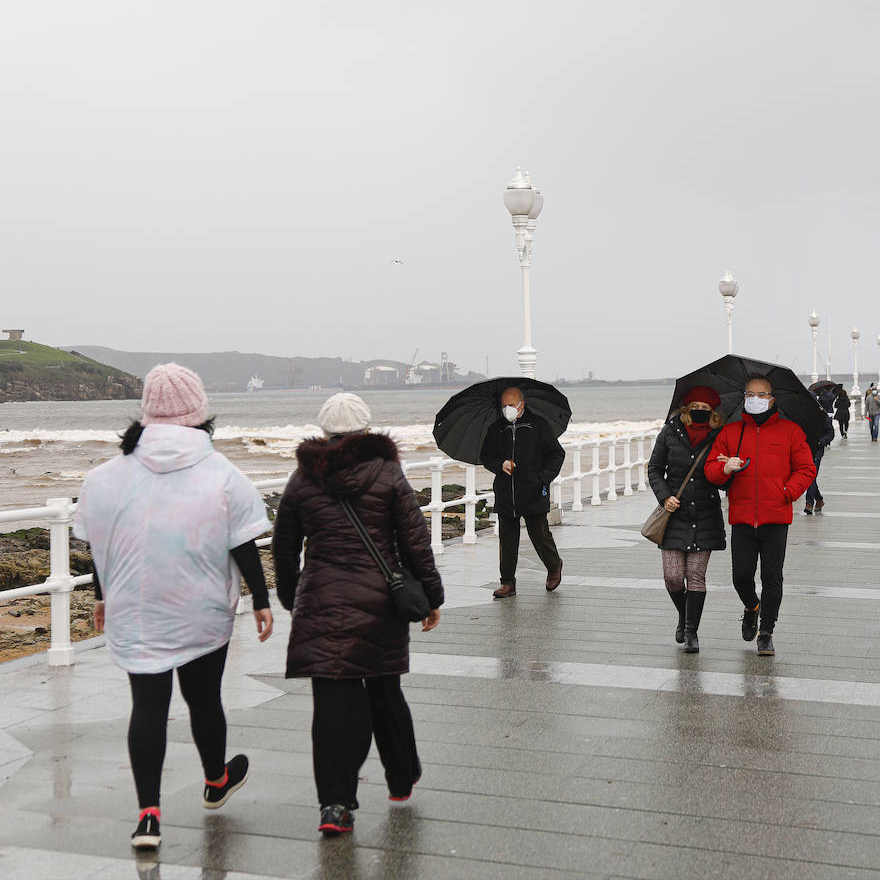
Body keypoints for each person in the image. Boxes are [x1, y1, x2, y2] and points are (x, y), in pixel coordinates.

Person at [73, 364, 273, 851]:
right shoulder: (223, 473)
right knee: (204, 699)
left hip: (136, 609)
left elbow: (101, 541)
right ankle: (214, 781)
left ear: (146, 413)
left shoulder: (107, 477)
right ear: (201, 415)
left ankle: (148, 818)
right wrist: (262, 599)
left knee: (148, 706)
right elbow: (244, 542)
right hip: (202, 608)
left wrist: (101, 596)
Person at [272, 393, 444, 837]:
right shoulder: (387, 473)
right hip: (379, 602)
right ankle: (401, 778)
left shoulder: (301, 479)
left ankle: (335, 806)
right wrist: (432, 596)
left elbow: (285, 547)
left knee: (331, 707)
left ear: (325, 433)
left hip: (322, 602)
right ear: (367, 431)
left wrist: (293, 598)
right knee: (385, 690)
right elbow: (414, 540)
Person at [705, 377, 816, 656]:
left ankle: (766, 631)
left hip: (776, 517)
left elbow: (806, 468)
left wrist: (788, 492)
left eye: (761, 394)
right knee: (741, 576)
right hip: (742, 517)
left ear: (772, 399)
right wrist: (726, 469)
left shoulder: (790, 431)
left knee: (772, 577)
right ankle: (752, 605)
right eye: (750, 394)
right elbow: (710, 468)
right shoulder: (731, 432)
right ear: (744, 397)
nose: (755, 398)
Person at [647, 386, 726, 653]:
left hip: (705, 515)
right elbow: (655, 468)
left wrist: (727, 469)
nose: (700, 412)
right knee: (672, 577)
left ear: (713, 413)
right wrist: (664, 496)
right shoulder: (670, 432)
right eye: (696, 407)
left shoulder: (720, 437)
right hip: (674, 515)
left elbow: (724, 482)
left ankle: (692, 631)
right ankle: (684, 615)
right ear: (686, 409)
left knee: (695, 576)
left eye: (706, 409)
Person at [480, 386, 566, 598]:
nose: (506, 409)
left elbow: (556, 455)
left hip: (534, 489)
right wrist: (500, 464)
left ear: (521, 404)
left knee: (539, 534)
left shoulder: (539, 425)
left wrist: (542, 478)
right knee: (507, 539)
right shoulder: (496, 428)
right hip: (505, 492)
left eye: (510, 405)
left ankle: (554, 566)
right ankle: (507, 583)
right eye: (503, 406)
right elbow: (486, 456)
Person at [804, 391, 834, 515]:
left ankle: (809, 503)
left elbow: (830, 433)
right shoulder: (802, 415)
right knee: (809, 477)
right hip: (804, 450)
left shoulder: (823, 415)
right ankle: (819, 499)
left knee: (810, 477)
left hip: (816, 450)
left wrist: (821, 442)